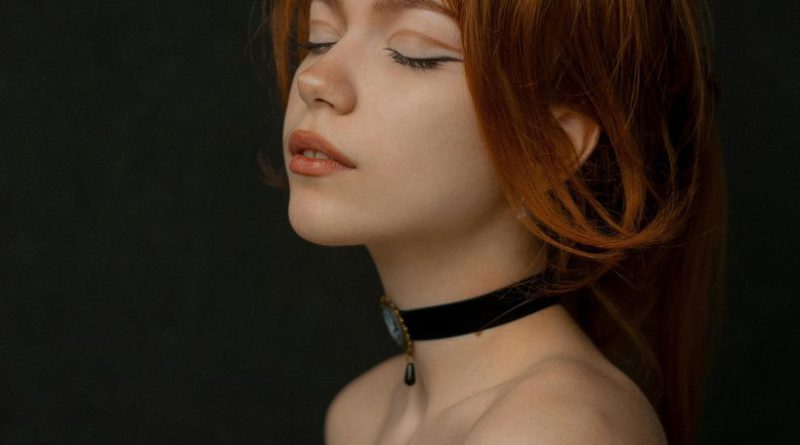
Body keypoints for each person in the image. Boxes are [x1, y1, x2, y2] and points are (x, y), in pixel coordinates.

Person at [258, 0, 726, 444]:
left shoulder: (550, 433)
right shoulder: (359, 414)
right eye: (321, 39)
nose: (315, 79)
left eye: (413, 52)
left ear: (550, 149)